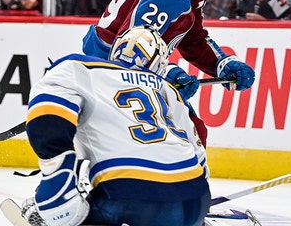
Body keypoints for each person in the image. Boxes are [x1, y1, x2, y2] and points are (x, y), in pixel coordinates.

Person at [81, 0, 256, 147]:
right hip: (109, 69)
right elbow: (131, 45)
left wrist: (222, 63)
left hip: (127, 69)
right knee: (186, 136)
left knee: (190, 132)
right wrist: (170, 74)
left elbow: (193, 39)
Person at [20, 25, 210, 226]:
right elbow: (199, 157)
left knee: (66, 216)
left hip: (130, 198)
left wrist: (57, 179)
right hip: (196, 199)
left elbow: (48, 115)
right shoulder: (169, 90)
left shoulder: (79, 67)